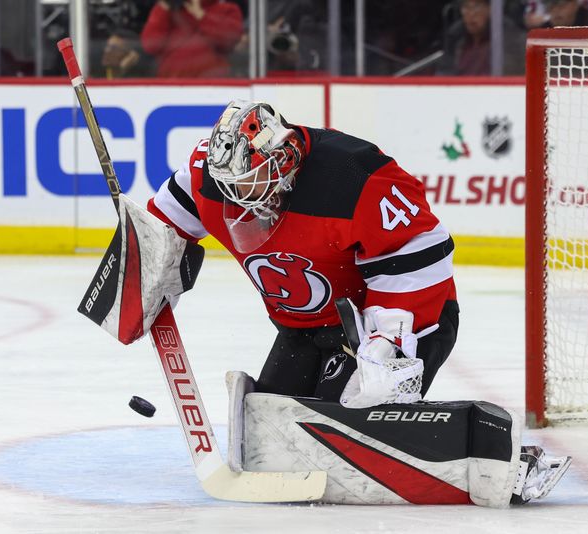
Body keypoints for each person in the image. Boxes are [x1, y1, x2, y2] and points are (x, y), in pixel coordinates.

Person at [147, 100, 459, 407]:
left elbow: (421, 247)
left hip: (402, 321)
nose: (238, 198)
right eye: (231, 186)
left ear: (282, 159)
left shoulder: (352, 175)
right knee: (271, 420)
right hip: (304, 330)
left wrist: (389, 338)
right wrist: (145, 269)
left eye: (248, 183)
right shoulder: (208, 175)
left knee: (347, 415)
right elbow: (162, 224)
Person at [140, 0, 243, 78]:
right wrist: (164, 7)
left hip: (213, 86)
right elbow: (150, 45)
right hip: (170, 85)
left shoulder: (227, 10)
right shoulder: (169, 10)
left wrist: (200, 15)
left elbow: (228, 41)